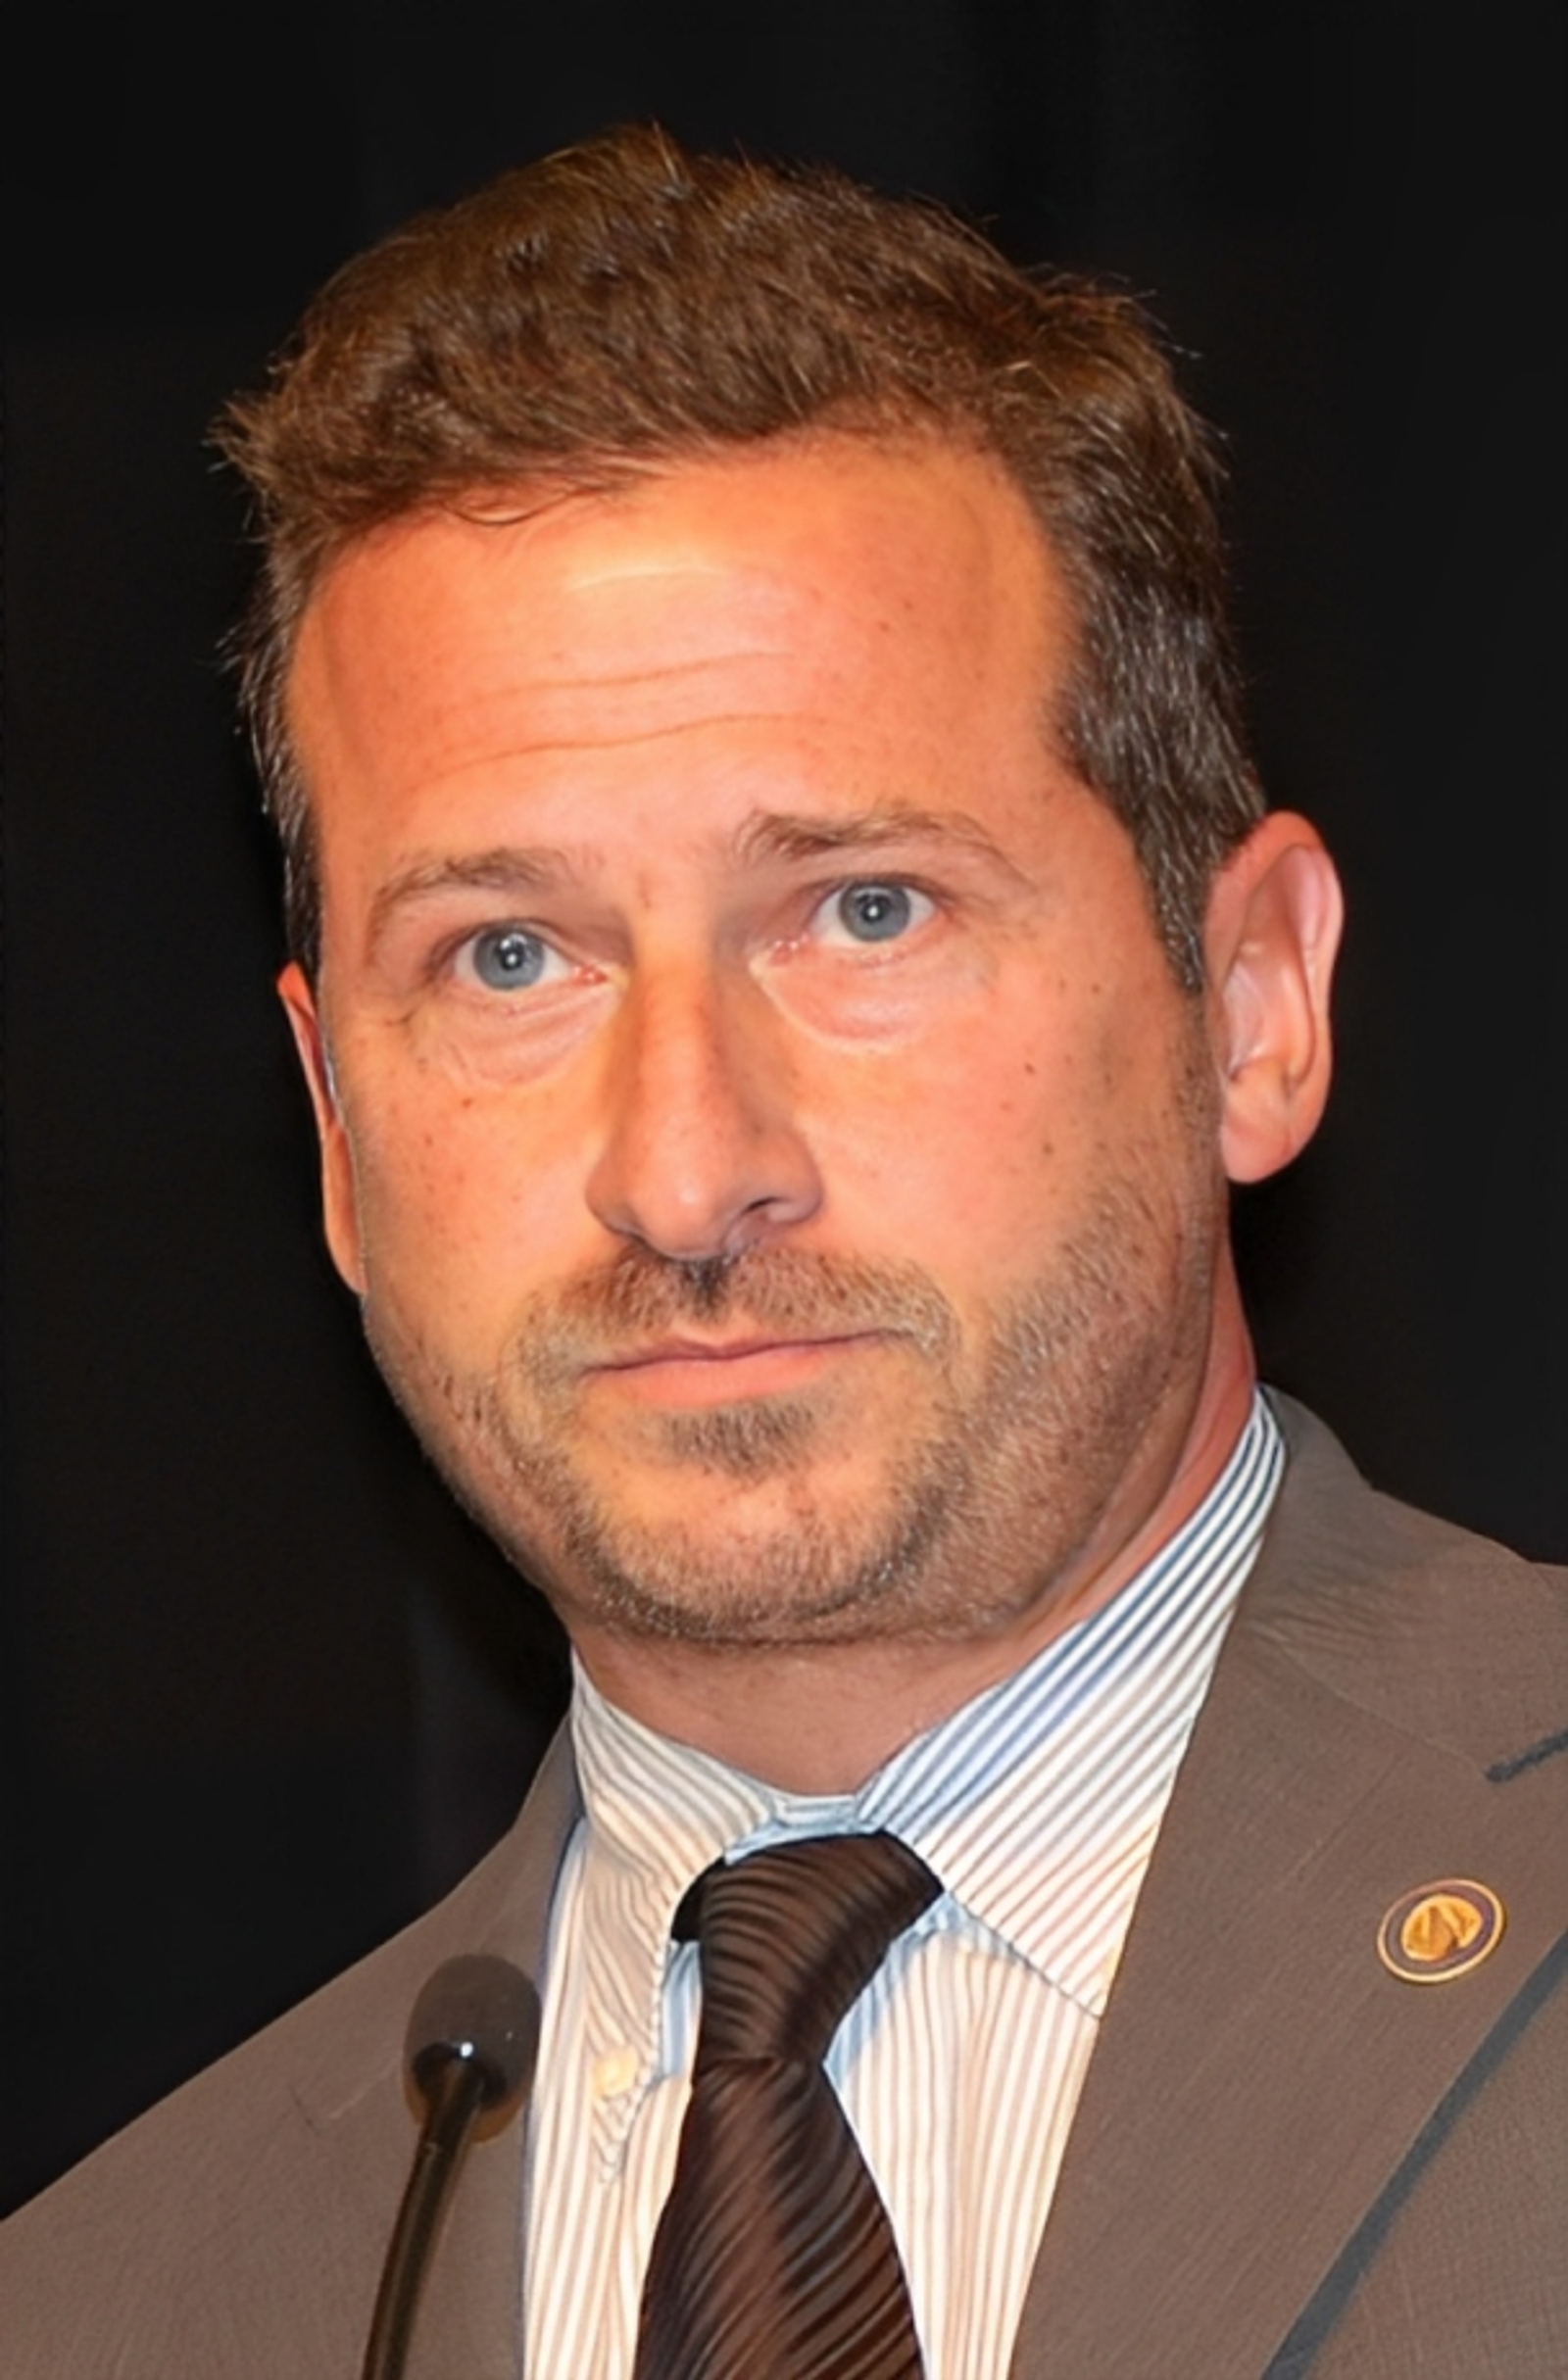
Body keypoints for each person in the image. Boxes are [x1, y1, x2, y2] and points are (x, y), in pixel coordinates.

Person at [2, 125, 1562, 2380]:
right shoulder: (105, 2308)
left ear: (1246, 1007)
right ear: (336, 1125)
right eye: (508, 952)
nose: (682, 1166)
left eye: (860, 910)